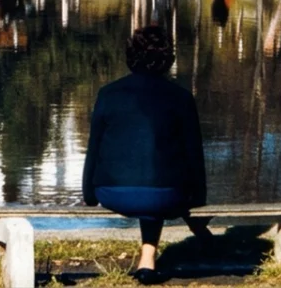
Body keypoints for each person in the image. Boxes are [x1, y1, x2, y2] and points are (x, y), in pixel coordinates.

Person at [83, 25, 210, 285]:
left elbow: (93, 148)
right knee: (159, 183)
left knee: (150, 178)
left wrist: (89, 194)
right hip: (166, 195)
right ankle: (165, 252)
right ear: (168, 59)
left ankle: (148, 262)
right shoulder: (181, 97)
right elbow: (193, 154)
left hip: (111, 192)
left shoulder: (107, 94)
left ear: (130, 56)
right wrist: (198, 198)